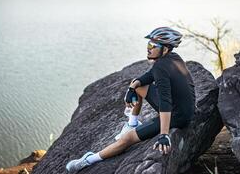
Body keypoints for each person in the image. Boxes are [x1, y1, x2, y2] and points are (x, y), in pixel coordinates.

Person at [66, 27, 195, 173]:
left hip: (177, 116)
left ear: (165, 50)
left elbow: (165, 102)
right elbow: (147, 77)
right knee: (138, 84)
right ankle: (132, 123)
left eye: (153, 46)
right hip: (182, 107)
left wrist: (164, 134)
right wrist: (132, 88)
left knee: (126, 140)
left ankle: (88, 160)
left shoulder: (161, 66)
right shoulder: (172, 58)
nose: (148, 49)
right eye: (148, 45)